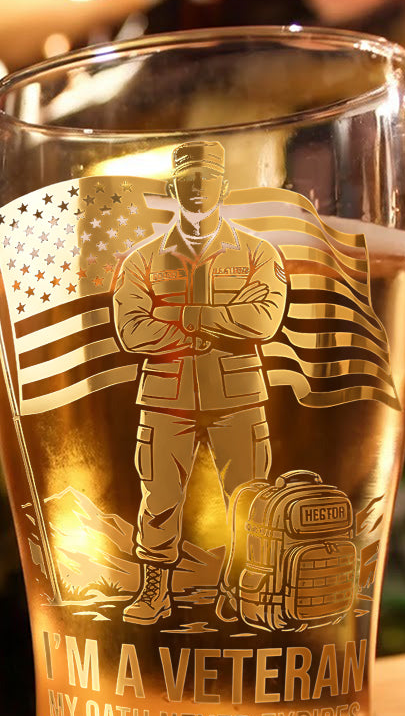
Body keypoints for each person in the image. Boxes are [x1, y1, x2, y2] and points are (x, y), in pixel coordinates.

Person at [112, 140, 288, 625]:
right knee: (159, 499)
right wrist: (214, 326)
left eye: (206, 180)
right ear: (173, 189)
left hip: (238, 397)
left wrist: (187, 316)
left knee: (249, 498)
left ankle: (244, 589)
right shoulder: (142, 259)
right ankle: (154, 590)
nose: (197, 189)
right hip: (166, 397)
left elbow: (264, 319)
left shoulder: (258, 251)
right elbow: (131, 329)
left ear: (223, 187)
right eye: (187, 181)